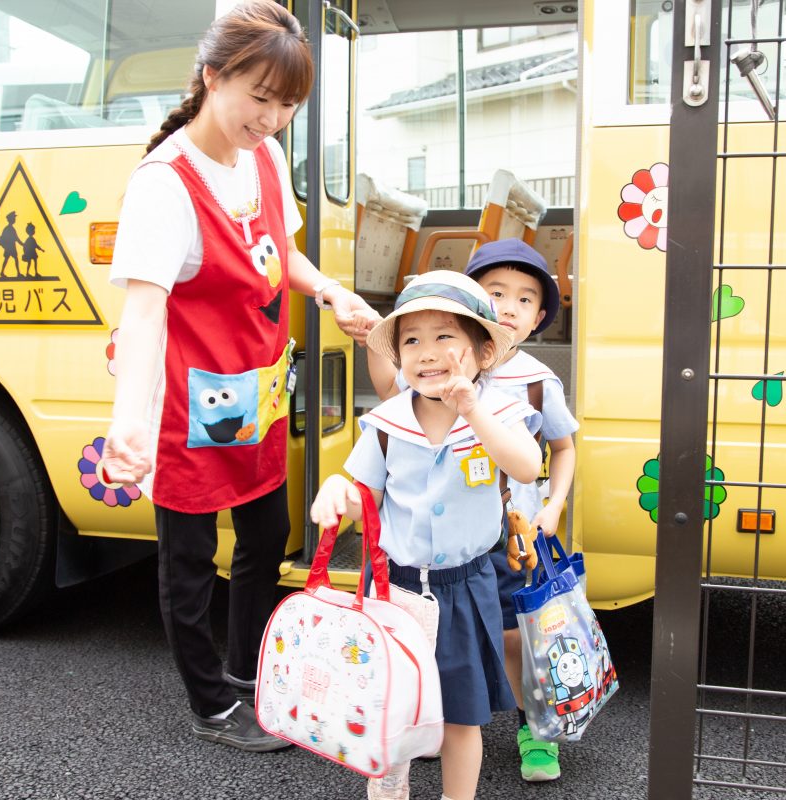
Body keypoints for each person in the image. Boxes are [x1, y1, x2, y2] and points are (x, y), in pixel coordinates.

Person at [101, 0, 379, 753]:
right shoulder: (164, 184)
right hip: (187, 399)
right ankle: (208, 705)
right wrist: (129, 425)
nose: (273, 118)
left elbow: (279, 256)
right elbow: (146, 314)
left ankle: (247, 672)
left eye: (288, 105)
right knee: (188, 558)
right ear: (212, 76)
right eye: (260, 98)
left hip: (252, 386)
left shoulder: (264, 157)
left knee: (268, 529)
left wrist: (329, 291)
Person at [312, 270, 543, 800]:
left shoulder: (500, 413)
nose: (426, 352)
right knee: (388, 705)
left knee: (462, 717)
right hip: (392, 590)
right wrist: (335, 490)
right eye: (411, 340)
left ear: (483, 351)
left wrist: (470, 409)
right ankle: (388, 790)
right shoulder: (386, 422)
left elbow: (528, 467)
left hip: (466, 585)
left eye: (444, 337)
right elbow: (360, 496)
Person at [367, 239, 577, 782]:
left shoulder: (531, 384)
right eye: (496, 292)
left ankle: (537, 726)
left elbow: (547, 455)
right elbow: (380, 431)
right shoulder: (412, 397)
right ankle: (438, 721)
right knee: (438, 658)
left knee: (520, 636)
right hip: (440, 558)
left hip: (514, 535)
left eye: (525, 299)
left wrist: (553, 506)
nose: (510, 305)